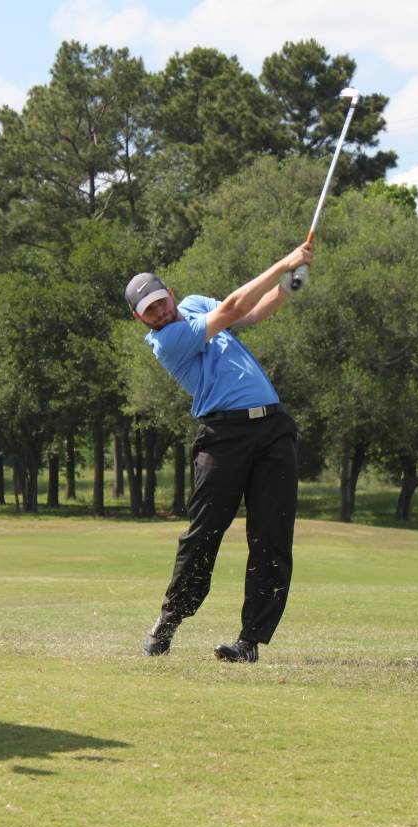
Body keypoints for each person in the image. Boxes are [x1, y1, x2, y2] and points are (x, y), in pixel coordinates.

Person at [124, 242, 313, 663]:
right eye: (149, 311)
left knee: (272, 537)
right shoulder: (167, 341)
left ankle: (250, 641)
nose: (160, 312)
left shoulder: (192, 306)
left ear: (170, 293)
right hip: (223, 436)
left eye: (161, 302)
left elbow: (248, 314)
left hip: (273, 429)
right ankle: (169, 620)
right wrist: (283, 260)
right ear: (139, 318)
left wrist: (287, 287)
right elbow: (229, 308)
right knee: (204, 534)